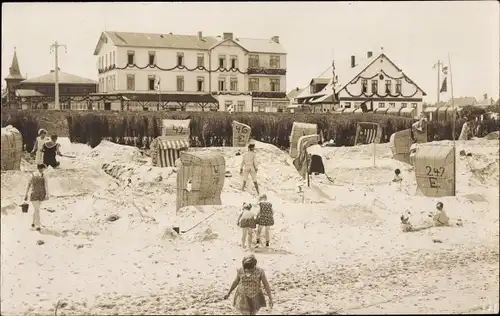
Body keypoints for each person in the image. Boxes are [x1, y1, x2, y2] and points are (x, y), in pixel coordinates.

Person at [24, 164, 49, 231]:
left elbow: (29, 185)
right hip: (37, 194)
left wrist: (26, 194)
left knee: (36, 209)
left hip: (38, 194)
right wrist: (26, 194)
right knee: (37, 210)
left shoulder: (38, 175)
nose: (43, 169)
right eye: (43, 168)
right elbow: (46, 185)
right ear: (41, 168)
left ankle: (33, 223)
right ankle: (38, 225)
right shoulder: (37, 175)